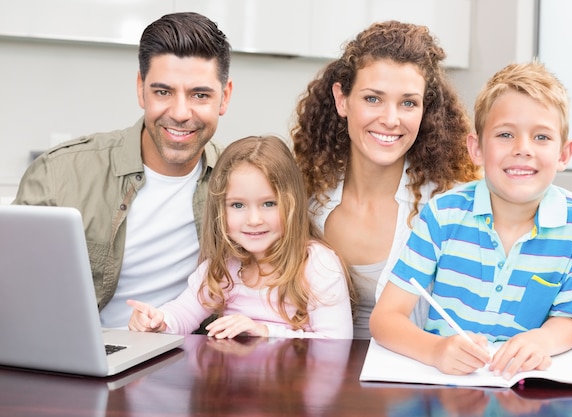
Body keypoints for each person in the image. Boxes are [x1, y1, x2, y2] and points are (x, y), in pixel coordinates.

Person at [370, 61, 572, 378]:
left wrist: (541, 340)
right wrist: (435, 350)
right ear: (477, 148)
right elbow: (385, 318)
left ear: (564, 154)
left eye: (541, 137)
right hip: (442, 384)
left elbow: (569, 319)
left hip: (525, 389)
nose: (523, 149)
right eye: (506, 134)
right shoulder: (443, 214)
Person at [12, 12, 231, 329]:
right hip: (84, 359)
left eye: (200, 94)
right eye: (163, 92)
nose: (181, 113)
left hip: (191, 362)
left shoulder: (244, 180)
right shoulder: (59, 174)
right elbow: (14, 291)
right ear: (141, 89)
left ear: (224, 96)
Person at [291, 20, 480, 340]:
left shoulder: (452, 204)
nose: (390, 120)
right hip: (319, 373)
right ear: (342, 100)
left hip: (416, 376)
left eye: (408, 102)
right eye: (373, 99)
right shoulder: (304, 196)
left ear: (425, 110)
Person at [127, 135, 354, 338]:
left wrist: (265, 332)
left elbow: (337, 344)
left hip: (293, 383)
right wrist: (158, 321)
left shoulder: (317, 263)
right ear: (220, 211)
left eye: (268, 204)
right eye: (237, 205)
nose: (254, 219)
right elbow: (183, 314)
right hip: (237, 384)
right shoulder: (225, 267)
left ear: (292, 204)